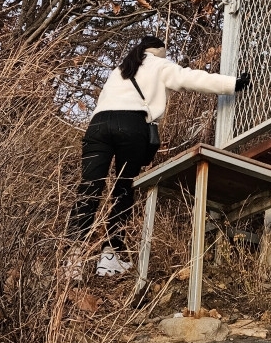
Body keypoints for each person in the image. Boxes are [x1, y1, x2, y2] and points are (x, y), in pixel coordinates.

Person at [65, 35, 250, 278]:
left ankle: (73, 261)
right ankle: (109, 256)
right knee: (123, 187)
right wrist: (232, 83)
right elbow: (191, 78)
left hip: (98, 125)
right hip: (131, 126)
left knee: (90, 187)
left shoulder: (121, 68)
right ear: (159, 50)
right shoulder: (159, 64)